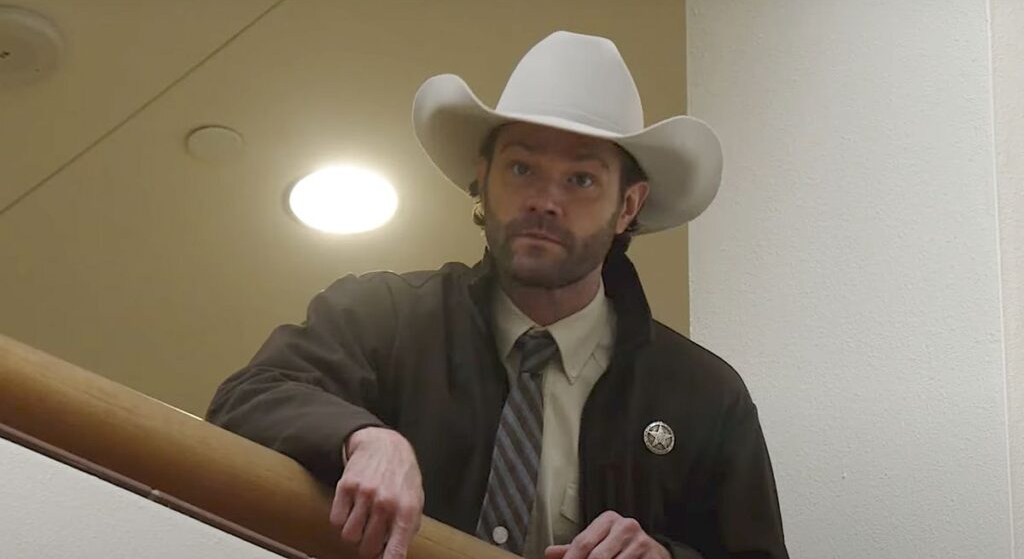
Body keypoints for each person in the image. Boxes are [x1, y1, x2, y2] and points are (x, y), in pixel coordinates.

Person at [207, 31, 788, 559]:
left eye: (581, 179)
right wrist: (361, 438)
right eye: (521, 169)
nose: (544, 201)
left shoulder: (705, 396)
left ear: (627, 207)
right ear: (482, 179)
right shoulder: (381, 317)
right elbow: (245, 399)